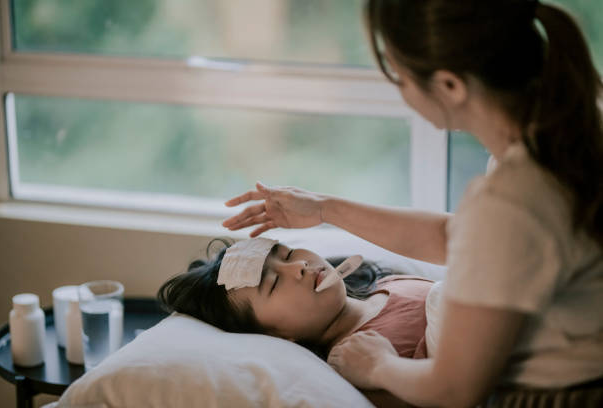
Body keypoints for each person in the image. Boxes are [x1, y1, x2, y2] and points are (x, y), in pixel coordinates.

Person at [221, 0, 603, 407]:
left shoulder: (514, 197)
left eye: (399, 77)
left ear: (450, 86)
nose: (400, 91)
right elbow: (455, 237)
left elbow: (455, 389)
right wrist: (323, 208)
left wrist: (378, 365)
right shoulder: (564, 135)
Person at [157, 237, 440, 407]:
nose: (299, 267)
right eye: (274, 283)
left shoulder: (392, 282)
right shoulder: (356, 363)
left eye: (288, 254)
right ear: (275, 336)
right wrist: (384, 369)